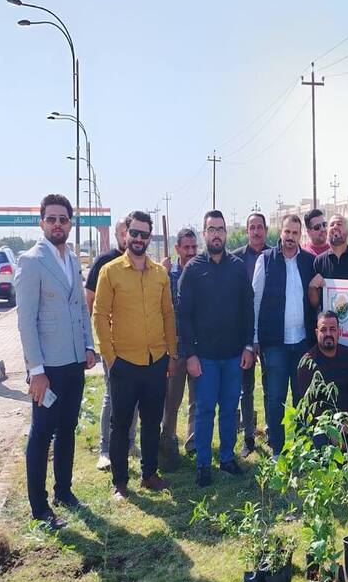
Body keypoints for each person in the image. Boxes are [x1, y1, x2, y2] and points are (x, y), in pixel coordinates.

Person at [15, 194, 97, 530]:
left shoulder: (72, 260)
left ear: (70, 223)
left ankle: (64, 491)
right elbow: (26, 320)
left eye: (63, 219)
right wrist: (36, 372)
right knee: (41, 433)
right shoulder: (31, 261)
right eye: (51, 219)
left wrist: (89, 346)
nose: (58, 225)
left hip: (74, 363)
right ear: (42, 223)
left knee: (67, 429)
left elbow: (80, 307)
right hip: (47, 368)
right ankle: (40, 507)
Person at [93, 210, 177, 500]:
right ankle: (120, 483)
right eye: (135, 233)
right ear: (126, 234)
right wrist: (110, 356)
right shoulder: (110, 271)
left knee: (152, 421)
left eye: (144, 234)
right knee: (121, 424)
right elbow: (100, 315)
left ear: (149, 237)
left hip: (156, 360)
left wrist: (171, 353)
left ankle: (149, 474)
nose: (139, 238)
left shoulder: (160, 274)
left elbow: (168, 314)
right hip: (124, 363)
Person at [178, 210, 255, 486]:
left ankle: (226, 457)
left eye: (221, 229)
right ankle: (202, 464)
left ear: (226, 232)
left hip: (234, 356)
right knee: (204, 410)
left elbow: (248, 309)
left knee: (229, 408)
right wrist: (190, 354)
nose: (217, 234)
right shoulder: (193, 269)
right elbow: (183, 315)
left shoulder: (236, 267)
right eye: (211, 229)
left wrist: (248, 346)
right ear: (204, 233)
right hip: (205, 358)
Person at [252, 213, 317, 455]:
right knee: (276, 397)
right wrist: (255, 338)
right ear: (280, 233)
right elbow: (255, 300)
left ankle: (301, 448)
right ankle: (278, 450)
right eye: (287, 232)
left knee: (301, 398)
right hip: (274, 343)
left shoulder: (309, 261)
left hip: (302, 342)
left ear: (301, 236)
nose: (290, 237)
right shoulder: (266, 260)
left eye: (295, 233)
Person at [85, 219, 136, 470]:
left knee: (135, 397)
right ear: (118, 235)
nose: (129, 236)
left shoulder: (142, 263)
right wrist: (97, 339)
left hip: (137, 344)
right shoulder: (104, 263)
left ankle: (130, 442)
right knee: (112, 395)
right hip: (112, 345)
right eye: (125, 232)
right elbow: (91, 301)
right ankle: (105, 449)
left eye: (134, 232)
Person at [296, 311, 348, 457]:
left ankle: (343, 451)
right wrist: (331, 431)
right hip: (321, 424)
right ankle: (341, 453)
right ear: (317, 332)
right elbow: (308, 404)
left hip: (346, 420)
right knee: (321, 453)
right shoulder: (307, 362)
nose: (328, 333)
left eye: (332, 329)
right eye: (323, 330)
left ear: (338, 332)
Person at [231, 212, 270, 456]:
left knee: (270, 385)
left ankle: (271, 431)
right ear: (247, 231)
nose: (256, 232)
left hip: (268, 332)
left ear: (266, 230)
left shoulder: (274, 256)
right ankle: (247, 437)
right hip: (242, 332)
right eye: (252, 227)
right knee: (245, 387)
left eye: (260, 227)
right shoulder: (235, 259)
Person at [159, 227, 198, 470]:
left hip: (197, 349)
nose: (191, 252)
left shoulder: (202, 274)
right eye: (187, 248)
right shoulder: (167, 276)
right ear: (177, 249)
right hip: (174, 350)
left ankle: (193, 442)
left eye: (194, 247)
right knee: (171, 401)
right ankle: (168, 441)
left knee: (197, 399)